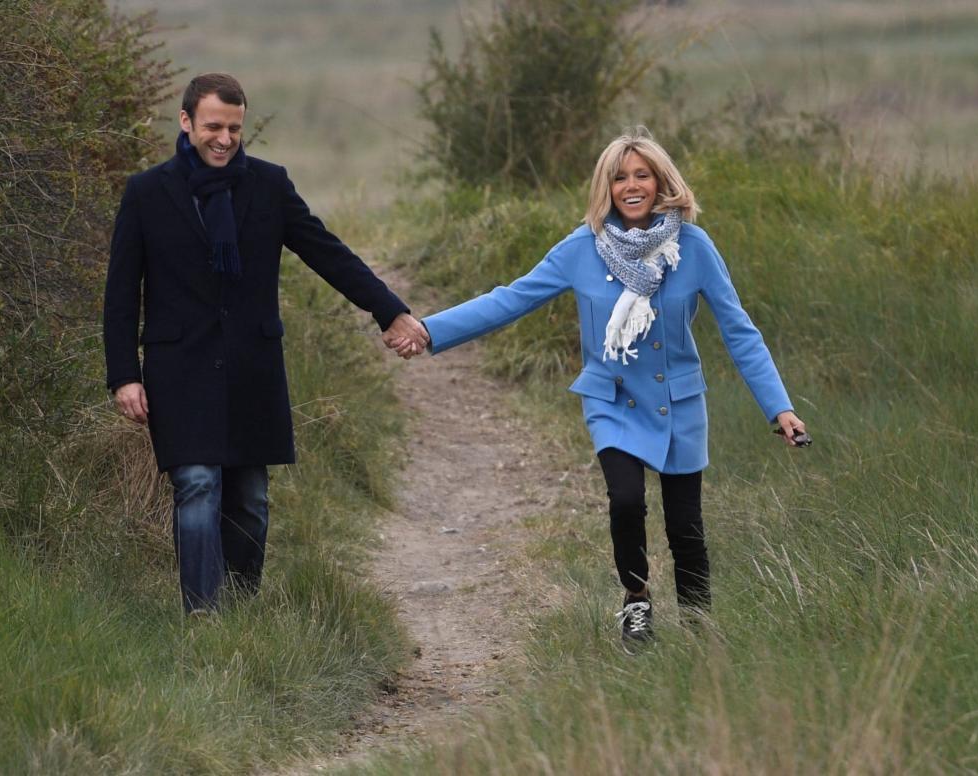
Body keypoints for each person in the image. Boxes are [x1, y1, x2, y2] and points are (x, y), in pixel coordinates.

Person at [402, 127, 807, 651]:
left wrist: (780, 408)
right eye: (620, 178)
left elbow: (739, 330)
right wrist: (431, 330)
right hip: (612, 398)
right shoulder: (581, 248)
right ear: (606, 188)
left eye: (642, 175)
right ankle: (636, 600)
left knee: (686, 527)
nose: (631, 186)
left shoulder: (694, 247)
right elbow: (510, 299)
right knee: (625, 499)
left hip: (678, 401)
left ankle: (699, 630)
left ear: (662, 183)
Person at [104, 73, 427, 613]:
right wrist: (124, 374)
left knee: (249, 500)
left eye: (233, 127)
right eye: (213, 126)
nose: (224, 139)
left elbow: (328, 252)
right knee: (198, 484)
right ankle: (204, 617)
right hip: (178, 368)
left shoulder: (268, 185)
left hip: (252, 368)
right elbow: (120, 292)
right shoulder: (146, 193)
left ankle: (240, 608)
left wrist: (389, 310)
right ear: (186, 123)